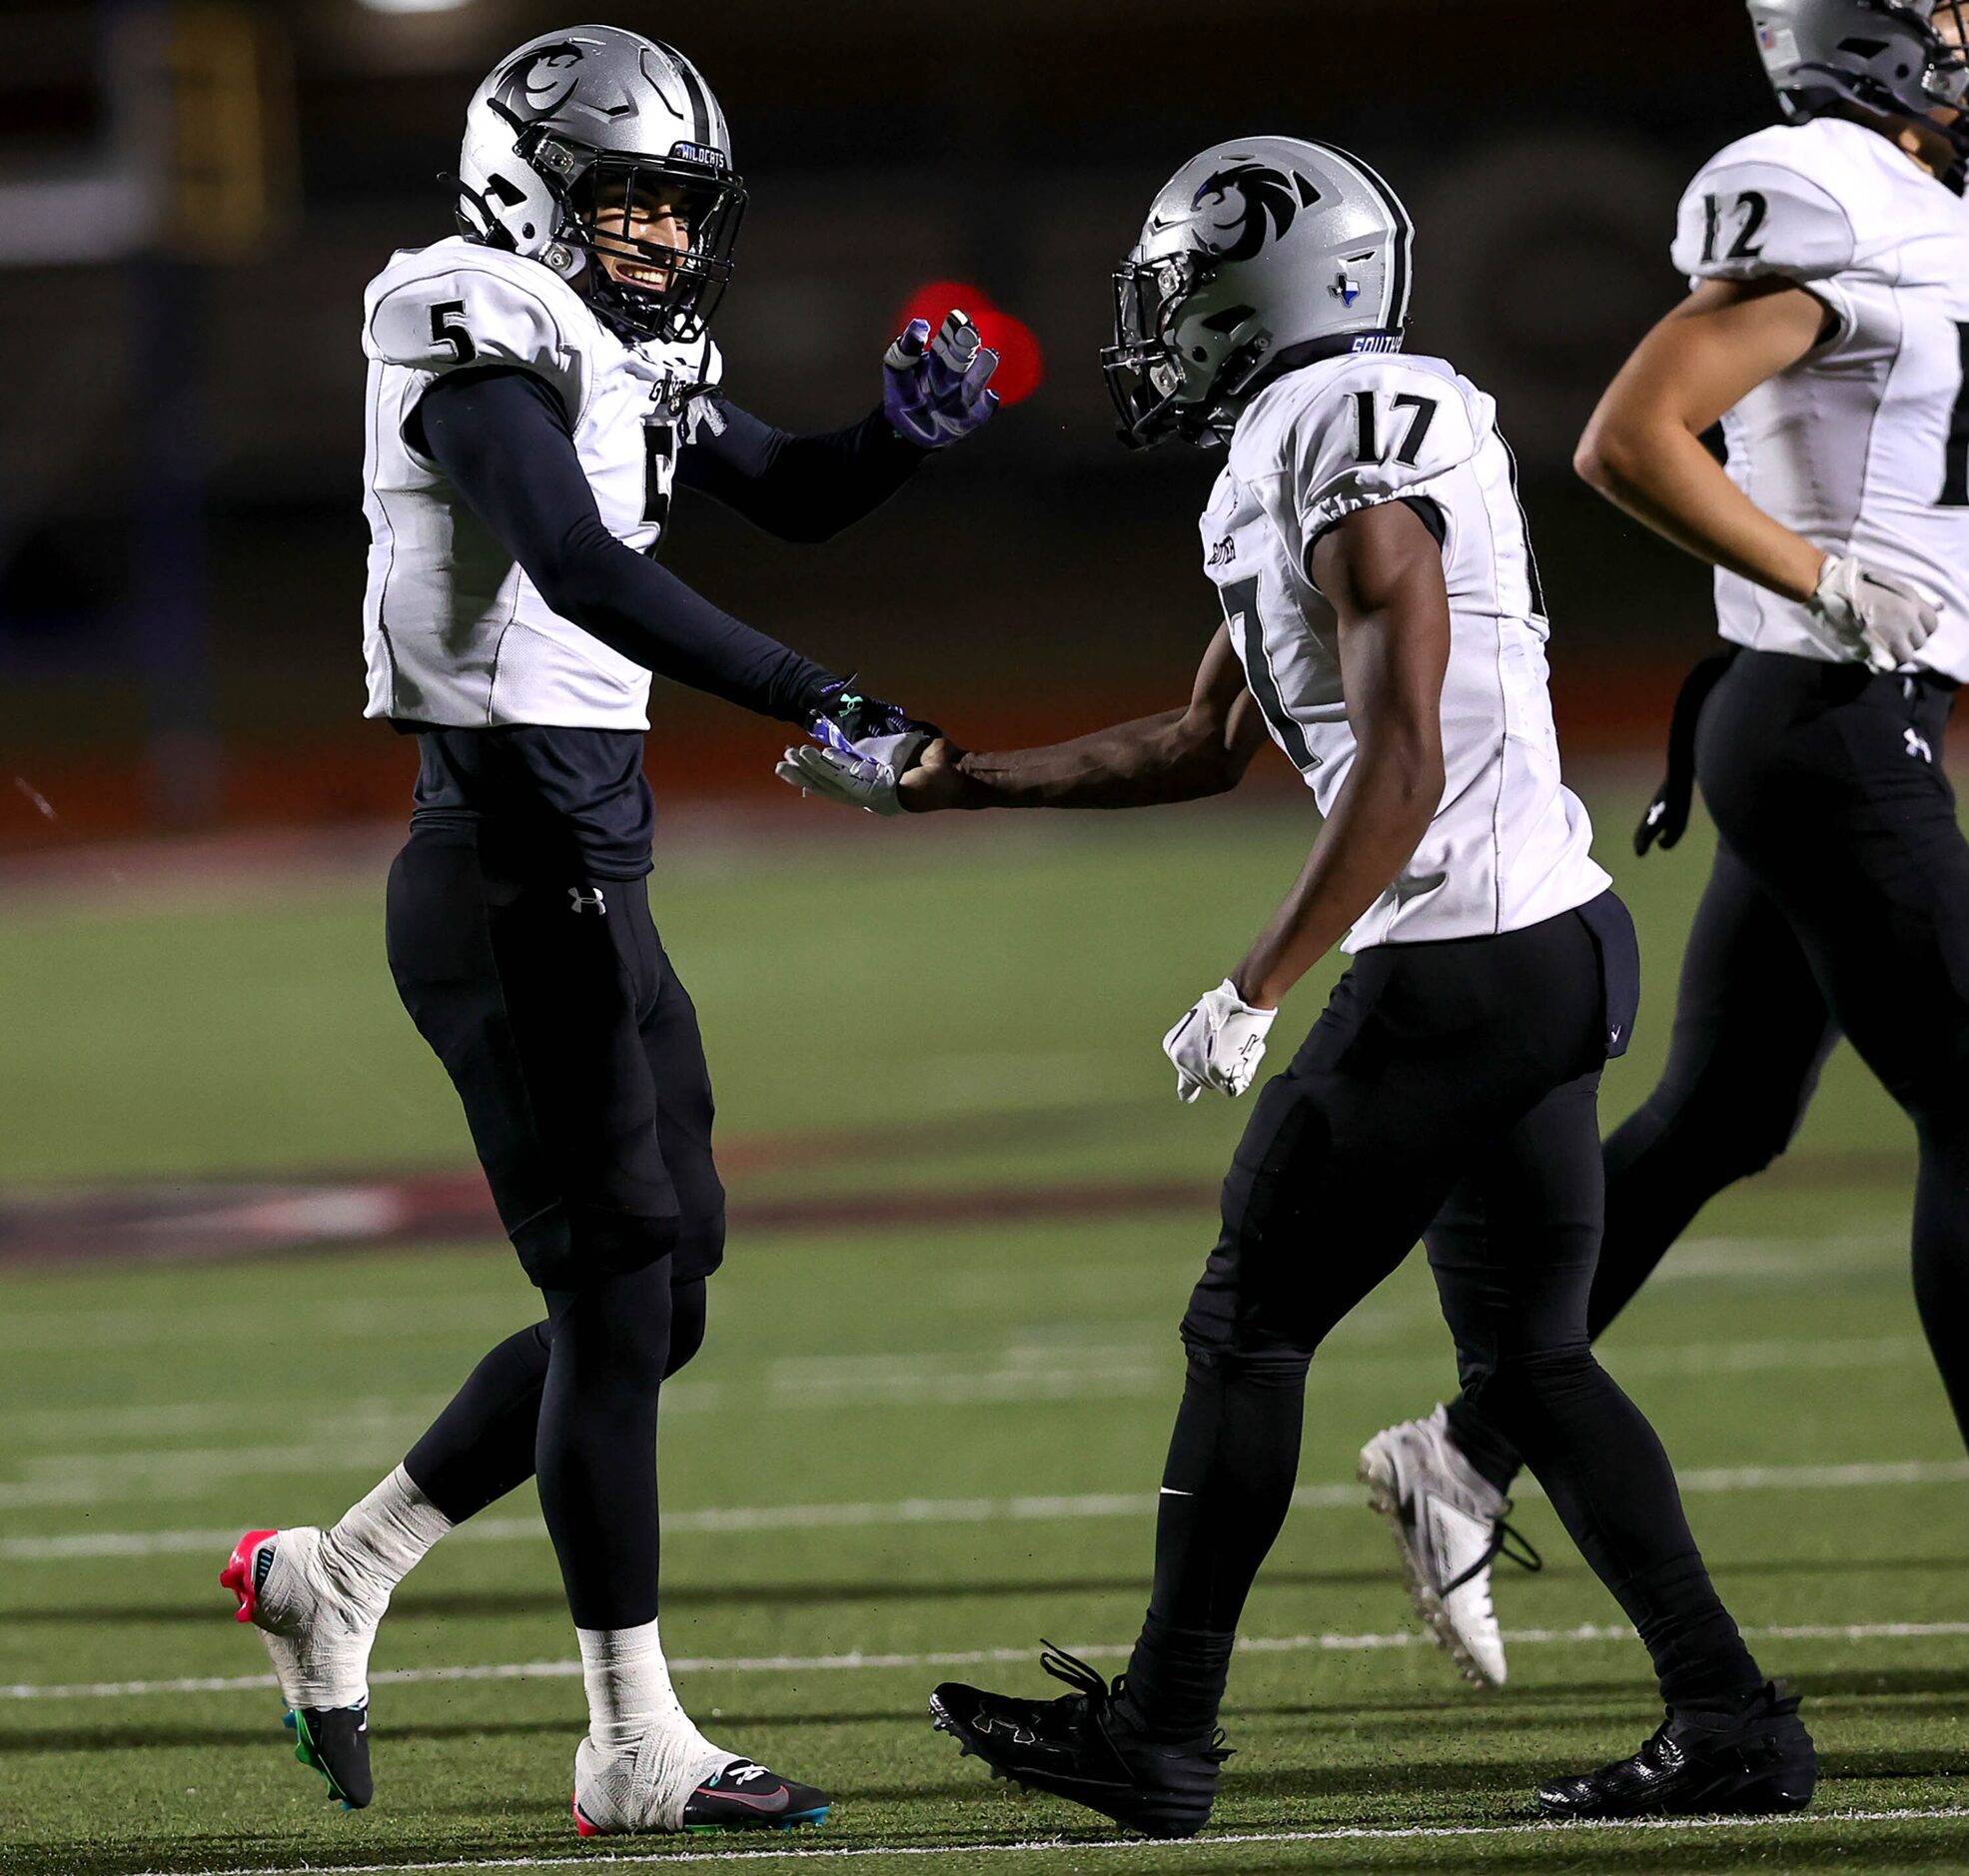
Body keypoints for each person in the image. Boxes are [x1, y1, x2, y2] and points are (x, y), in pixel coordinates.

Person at [777, 137, 1814, 1836]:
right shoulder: (1319, 432)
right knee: (1539, 1360)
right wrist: (947, 778)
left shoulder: (1344, 439)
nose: (1159, 329)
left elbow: (1400, 760)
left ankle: (1164, 1734)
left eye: (1182, 295)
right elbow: (1200, 740)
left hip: (1457, 956)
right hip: (1543, 935)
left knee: (1248, 1326)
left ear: (1276, 287)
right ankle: (1731, 1718)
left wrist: (1261, 979)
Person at [217, 25, 990, 1835]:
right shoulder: (466, 315)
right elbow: (576, 562)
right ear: (526, 179)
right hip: (500, 859)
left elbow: (780, 483)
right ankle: (630, 1738)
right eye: (625, 194)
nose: (654, 233)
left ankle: (345, 1565)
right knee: (615, 1280)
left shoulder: (615, 338)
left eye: (672, 203)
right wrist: (815, 690)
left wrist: (894, 438)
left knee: (671, 1277)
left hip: (590, 851)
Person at [1364, 0, 1969, 1695]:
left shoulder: (1927, 216)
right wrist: (1824, 574)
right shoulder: (1828, 189)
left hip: (1840, 722)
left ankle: (1462, 1450)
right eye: (1946, 15)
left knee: (1720, 1113)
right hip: (1823, 717)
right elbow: (1630, 434)